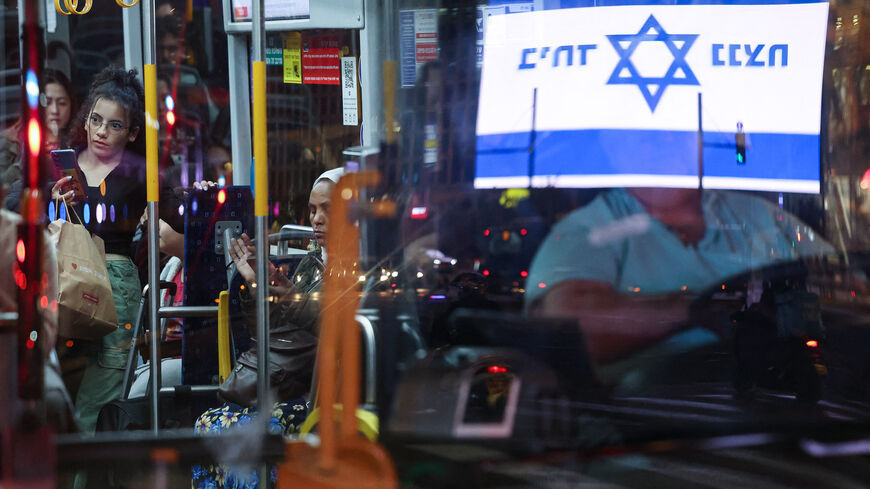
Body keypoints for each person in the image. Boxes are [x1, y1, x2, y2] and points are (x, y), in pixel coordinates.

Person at [525, 187, 834, 378]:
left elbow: (849, 287)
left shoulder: (760, 217)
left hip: (801, 405)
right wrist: (704, 309)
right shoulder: (588, 228)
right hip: (647, 430)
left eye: (679, 133)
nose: (667, 143)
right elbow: (569, 330)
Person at [49, 66, 185, 433]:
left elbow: (182, 224)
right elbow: (21, 211)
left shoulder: (143, 174)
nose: (102, 132)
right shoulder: (61, 166)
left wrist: (196, 206)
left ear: (133, 132)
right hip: (63, 283)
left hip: (117, 289)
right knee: (56, 394)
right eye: (96, 120)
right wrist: (53, 202)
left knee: (99, 400)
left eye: (115, 125)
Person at [192, 167, 345, 489]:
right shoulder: (315, 262)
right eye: (313, 210)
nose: (317, 219)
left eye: (328, 210)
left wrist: (289, 297)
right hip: (296, 381)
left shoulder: (358, 268)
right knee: (209, 424)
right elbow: (274, 333)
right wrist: (256, 284)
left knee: (229, 429)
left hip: (326, 392)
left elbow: (335, 332)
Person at [2, 69, 77, 211]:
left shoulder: (76, 143)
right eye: (47, 102)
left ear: (71, 105)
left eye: (62, 103)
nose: (55, 110)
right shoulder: (13, 141)